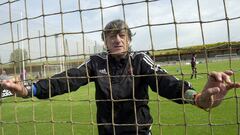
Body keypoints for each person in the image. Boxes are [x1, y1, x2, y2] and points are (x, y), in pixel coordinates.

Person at [1, 19, 240, 135]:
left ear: (129, 40)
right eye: (111, 36)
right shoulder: (96, 62)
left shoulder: (140, 60)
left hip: (139, 132)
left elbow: (165, 82)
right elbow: (68, 79)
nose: (117, 39)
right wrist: (29, 90)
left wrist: (196, 97)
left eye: (122, 35)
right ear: (105, 41)